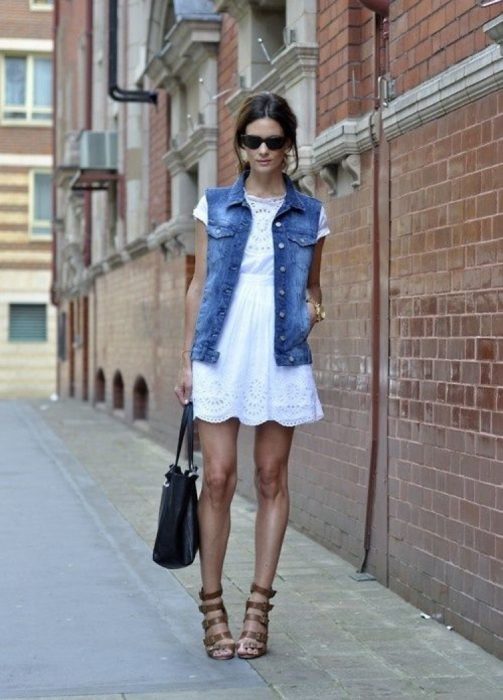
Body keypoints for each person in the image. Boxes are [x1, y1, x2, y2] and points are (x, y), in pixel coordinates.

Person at [175, 92, 329, 661]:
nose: (262, 150)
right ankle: (211, 606)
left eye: (273, 140)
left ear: (289, 145)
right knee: (217, 476)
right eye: (252, 140)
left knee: (270, 477)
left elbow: (314, 287)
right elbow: (197, 286)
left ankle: (258, 610)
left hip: (279, 353)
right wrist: (184, 359)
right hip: (220, 347)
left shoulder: (311, 214)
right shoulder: (213, 206)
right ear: (239, 146)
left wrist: (313, 307)